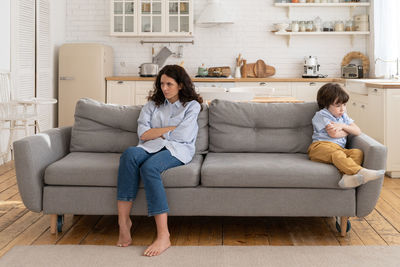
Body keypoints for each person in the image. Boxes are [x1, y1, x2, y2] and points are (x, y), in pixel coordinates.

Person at [116, 65, 203, 257]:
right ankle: (124, 222)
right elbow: (143, 134)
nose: (164, 88)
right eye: (162, 83)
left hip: (178, 150)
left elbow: (182, 136)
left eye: (169, 84)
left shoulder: (191, 106)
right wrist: (170, 129)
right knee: (129, 154)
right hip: (149, 146)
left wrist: (158, 133)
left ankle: (164, 235)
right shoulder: (152, 105)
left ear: (180, 85)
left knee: (149, 167)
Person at [308, 83, 385, 188]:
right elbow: (334, 134)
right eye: (338, 105)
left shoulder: (343, 117)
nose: (342, 109)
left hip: (338, 148)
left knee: (357, 153)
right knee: (338, 154)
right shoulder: (322, 115)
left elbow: (358, 131)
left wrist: (342, 125)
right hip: (320, 147)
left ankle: (346, 178)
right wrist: (348, 130)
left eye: (344, 105)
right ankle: (360, 171)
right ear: (326, 105)